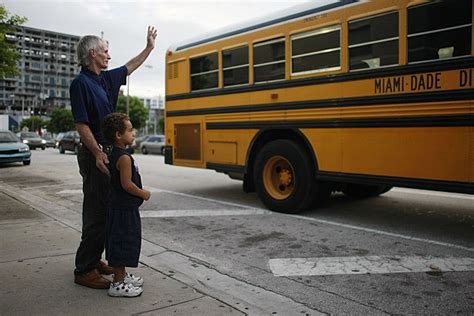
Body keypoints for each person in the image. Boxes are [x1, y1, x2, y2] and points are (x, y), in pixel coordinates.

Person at [70, 26, 157, 289]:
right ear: (93, 53)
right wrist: (97, 152)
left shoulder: (105, 79)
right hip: (94, 155)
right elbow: (82, 124)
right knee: (96, 212)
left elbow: (130, 66)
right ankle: (84, 269)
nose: (109, 55)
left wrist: (149, 48)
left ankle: (95, 260)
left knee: (108, 211)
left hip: (108, 154)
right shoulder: (81, 83)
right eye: (106, 51)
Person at [101, 112, 151, 297]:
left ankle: (121, 276)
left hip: (119, 207)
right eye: (130, 130)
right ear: (118, 135)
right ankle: (118, 284)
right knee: (122, 243)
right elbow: (127, 184)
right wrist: (143, 193)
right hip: (123, 209)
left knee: (121, 241)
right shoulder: (123, 158)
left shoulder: (116, 154)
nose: (134, 133)